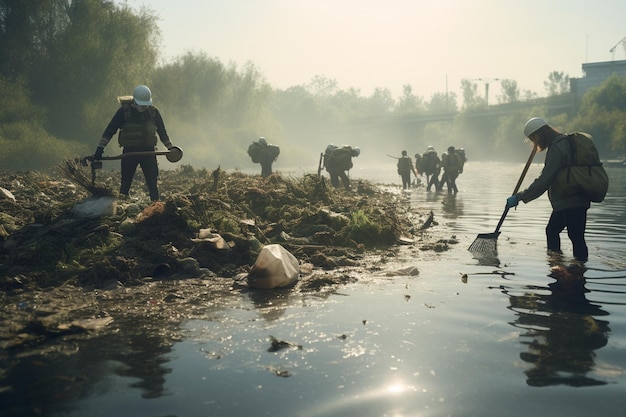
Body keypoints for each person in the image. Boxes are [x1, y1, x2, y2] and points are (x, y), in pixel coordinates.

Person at [505, 117, 593, 262]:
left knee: (575, 237)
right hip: (572, 198)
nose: (535, 144)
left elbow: (545, 180)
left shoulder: (558, 148)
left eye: (533, 139)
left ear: (539, 135)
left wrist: (520, 197)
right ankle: (558, 266)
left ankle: (576, 274)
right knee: (554, 231)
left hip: (571, 199)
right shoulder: (565, 142)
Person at [94, 85, 175, 201]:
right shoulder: (123, 112)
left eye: (146, 104)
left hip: (149, 153)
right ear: (135, 102)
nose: (144, 107)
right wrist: (100, 148)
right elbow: (110, 131)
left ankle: (156, 207)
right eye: (141, 104)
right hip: (129, 154)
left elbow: (163, 133)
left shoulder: (154, 113)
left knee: (153, 184)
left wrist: (171, 148)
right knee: (125, 184)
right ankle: (121, 207)